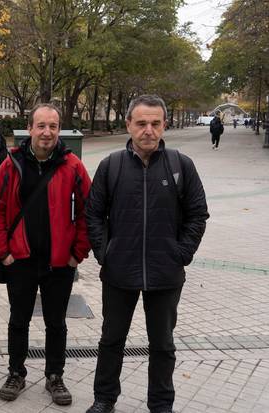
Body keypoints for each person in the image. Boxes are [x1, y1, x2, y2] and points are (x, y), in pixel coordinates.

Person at [85, 95, 209, 413]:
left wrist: (181, 253)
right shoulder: (110, 166)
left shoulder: (181, 165)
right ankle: (104, 398)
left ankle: (161, 404)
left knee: (163, 345)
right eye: (141, 123)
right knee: (112, 339)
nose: (148, 130)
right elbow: (94, 214)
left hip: (165, 272)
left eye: (155, 123)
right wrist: (105, 252)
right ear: (129, 125)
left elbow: (198, 214)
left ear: (164, 125)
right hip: (119, 270)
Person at [0, 103, 91, 406]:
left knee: (56, 322)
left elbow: (89, 211)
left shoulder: (73, 165)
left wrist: (78, 253)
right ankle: (16, 373)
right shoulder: (10, 165)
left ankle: (54, 376)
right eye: (41, 126)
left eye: (53, 126)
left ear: (58, 130)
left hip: (59, 262)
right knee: (18, 320)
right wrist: (2, 252)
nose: (47, 132)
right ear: (30, 128)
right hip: (19, 260)